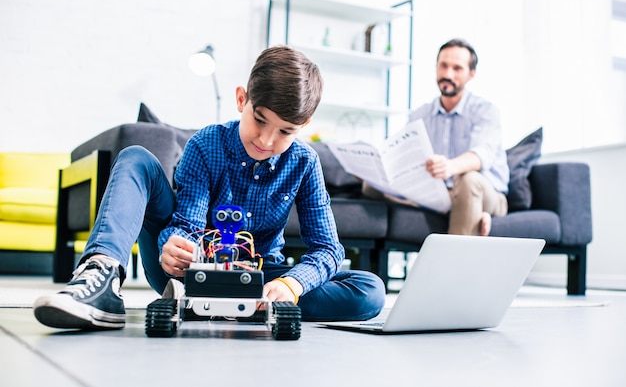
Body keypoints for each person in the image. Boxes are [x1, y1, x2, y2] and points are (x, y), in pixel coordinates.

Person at [34, 45, 386, 330]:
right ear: (241, 100)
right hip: (191, 276)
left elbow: (327, 249)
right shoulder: (206, 144)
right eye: (259, 120)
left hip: (262, 278)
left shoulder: (305, 162)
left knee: (370, 291)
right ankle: (101, 276)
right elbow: (185, 224)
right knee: (137, 158)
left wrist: (290, 286)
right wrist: (172, 245)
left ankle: (252, 306)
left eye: (285, 131)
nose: (266, 140)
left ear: (304, 125)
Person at [365, 38, 509, 236]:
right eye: (443, 66)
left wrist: (450, 166)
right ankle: (473, 215)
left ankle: (455, 261)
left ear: (471, 74)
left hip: (487, 193)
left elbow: (482, 154)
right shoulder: (419, 115)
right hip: (439, 194)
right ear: (436, 67)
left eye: (457, 68)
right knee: (369, 186)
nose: (448, 74)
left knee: (468, 180)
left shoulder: (486, 111)